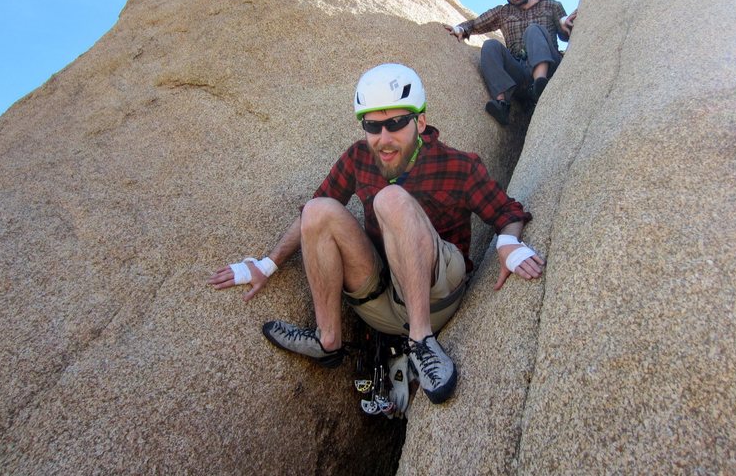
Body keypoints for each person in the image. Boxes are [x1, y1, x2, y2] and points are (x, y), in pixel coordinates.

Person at [208, 63, 545, 406]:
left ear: (420, 122)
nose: (383, 139)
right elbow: (312, 215)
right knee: (318, 210)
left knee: (391, 198)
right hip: (380, 296)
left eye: (396, 123)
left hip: (436, 296)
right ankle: (327, 340)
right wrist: (267, 264)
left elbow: (508, 211)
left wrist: (509, 244)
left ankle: (422, 342)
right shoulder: (358, 158)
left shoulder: (458, 165)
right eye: (373, 126)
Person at [445, 0, 577, 125]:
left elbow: (565, 33)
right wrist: (460, 29)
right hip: (521, 72)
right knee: (490, 46)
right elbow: (475, 24)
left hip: (549, 65)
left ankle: (540, 84)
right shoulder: (503, 13)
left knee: (533, 30)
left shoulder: (551, 5)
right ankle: (502, 104)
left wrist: (567, 25)